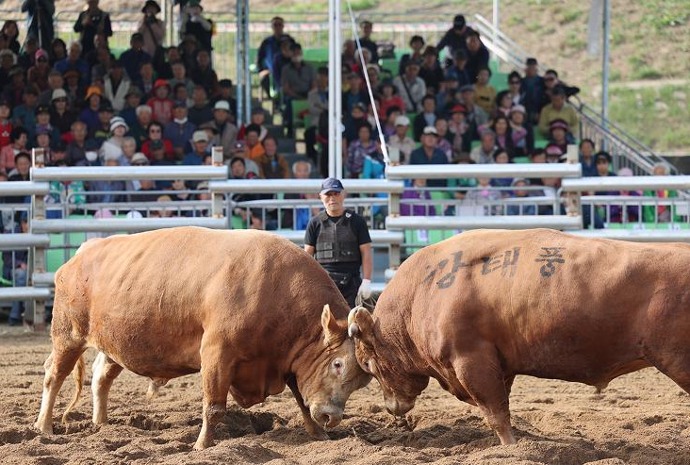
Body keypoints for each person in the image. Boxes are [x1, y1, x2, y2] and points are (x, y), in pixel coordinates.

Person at [304, 177, 372, 307]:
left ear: (343, 195)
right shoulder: (315, 223)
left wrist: (367, 281)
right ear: (321, 197)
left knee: (354, 325)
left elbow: (366, 252)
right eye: (328, 194)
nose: (332, 198)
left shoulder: (357, 221)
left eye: (336, 193)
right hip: (324, 283)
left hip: (352, 283)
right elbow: (307, 256)